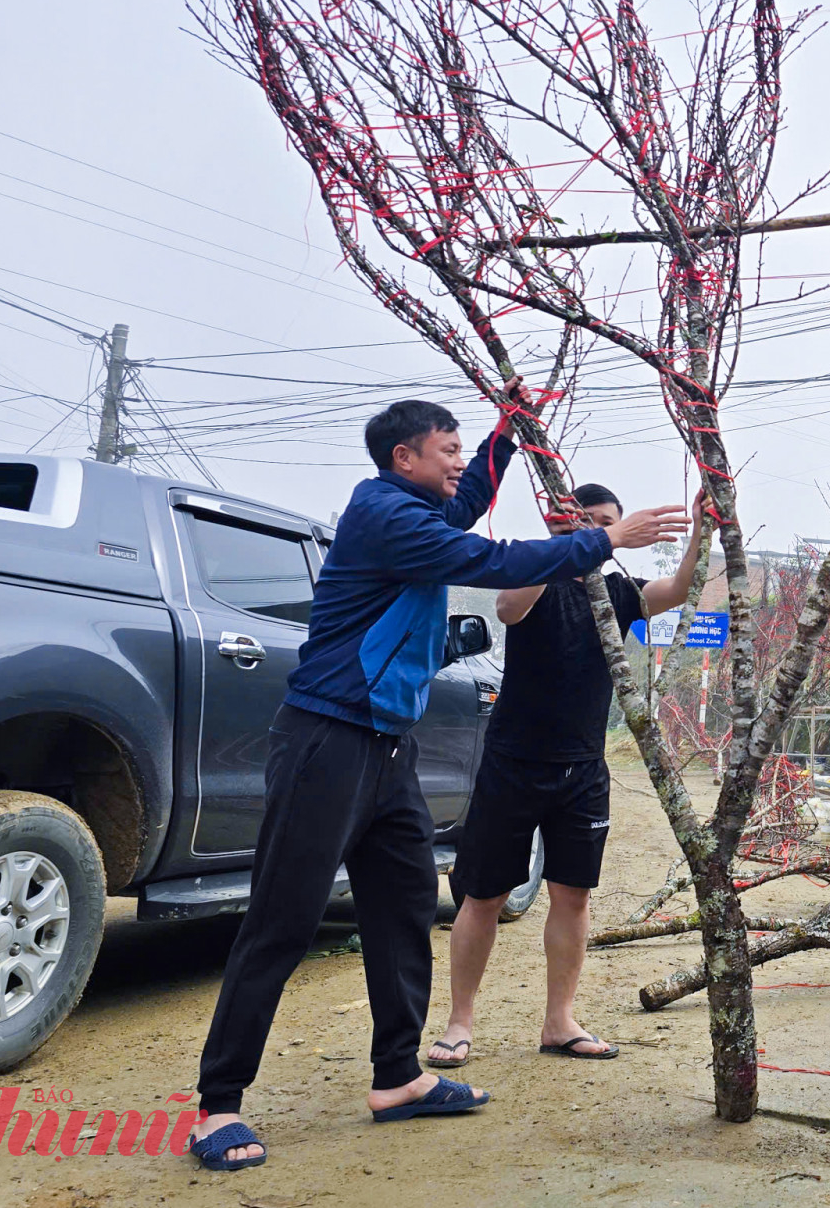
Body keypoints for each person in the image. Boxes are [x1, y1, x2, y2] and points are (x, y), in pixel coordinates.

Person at [187, 392, 689, 1172]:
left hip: (389, 748)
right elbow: (495, 560)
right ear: (405, 459)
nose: (458, 463)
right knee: (283, 919)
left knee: (404, 907)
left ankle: (398, 1076)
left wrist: (507, 431)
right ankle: (219, 1103)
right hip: (326, 735)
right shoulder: (386, 517)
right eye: (446, 449)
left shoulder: (422, 511)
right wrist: (605, 539)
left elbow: (475, 501)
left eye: (461, 450)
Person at [426, 482, 708, 1068]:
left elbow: (680, 589)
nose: (602, 535)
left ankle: (560, 1022)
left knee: (572, 896)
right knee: (483, 896)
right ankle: (459, 1023)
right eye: (590, 524)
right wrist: (572, 544)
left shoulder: (618, 593)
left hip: (583, 768)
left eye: (610, 525)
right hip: (513, 761)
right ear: (561, 523)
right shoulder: (536, 576)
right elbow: (507, 609)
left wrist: (705, 524)